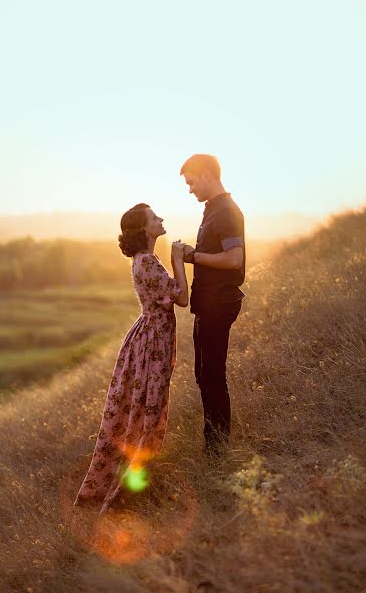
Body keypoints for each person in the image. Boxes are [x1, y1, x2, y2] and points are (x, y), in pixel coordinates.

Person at [74, 203, 188, 513]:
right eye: (154, 217)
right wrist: (179, 260)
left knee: (140, 409)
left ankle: (124, 489)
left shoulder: (146, 259)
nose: (161, 218)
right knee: (148, 411)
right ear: (144, 229)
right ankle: (123, 497)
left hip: (149, 336)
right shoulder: (148, 261)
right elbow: (182, 298)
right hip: (153, 343)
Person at [179, 154, 245, 453]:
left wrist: (193, 256)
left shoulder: (226, 211)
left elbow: (234, 259)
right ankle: (214, 447)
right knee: (203, 375)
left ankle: (217, 452)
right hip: (207, 304)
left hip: (219, 303)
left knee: (212, 377)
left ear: (206, 175)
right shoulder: (213, 209)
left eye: (191, 182)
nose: (190, 189)